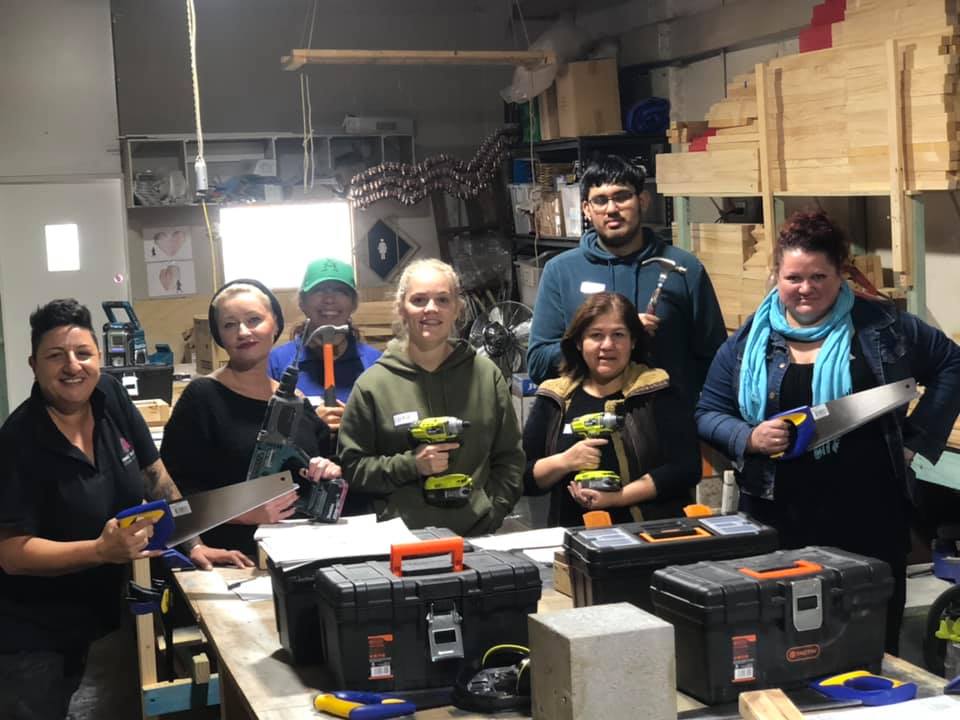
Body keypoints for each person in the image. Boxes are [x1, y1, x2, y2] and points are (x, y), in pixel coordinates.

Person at [695, 210, 960, 653]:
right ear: (776, 275)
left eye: (819, 276)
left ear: (841, 274)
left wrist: (917, 441)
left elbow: (952, 363)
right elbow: (708, 411)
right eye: (794, 277)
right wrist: (749, 438)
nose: (806, 288)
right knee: (784, 643)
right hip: (777, 513)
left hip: (870, 514)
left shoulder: (882, 326)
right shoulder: (748, 341)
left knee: (870, 641)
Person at [0, 299, 247, 720]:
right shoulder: (17, 441)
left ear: (98, 356)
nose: (72, 366)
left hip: (105, 616)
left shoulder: (109, 395)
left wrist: (193, 542)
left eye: (83, 353)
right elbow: (11, 553)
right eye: (55, 356)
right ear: (33, 365)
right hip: (34, 634)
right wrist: (100, 550)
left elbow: (154, 475)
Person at [338, 258, 525, 535]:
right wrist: (411, 465)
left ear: (457, 308)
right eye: (419, 300)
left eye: (442, 299)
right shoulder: (373, 385)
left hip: (477, 536)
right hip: (401, 539)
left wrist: (492, 511)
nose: (431, 309)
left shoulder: (487, 376)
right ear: (401, 307)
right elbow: (352, 468)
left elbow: (510, 458)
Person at [161, 279, 344, 558]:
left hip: (301, 551)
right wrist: (242, 512)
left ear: (275, 324)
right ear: (219, 336)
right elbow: (173, 497)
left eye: (254, 320)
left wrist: (327, 471)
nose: (243, 332)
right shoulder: (202, 397)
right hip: (234, 557)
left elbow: (322, 467)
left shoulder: (296, 401)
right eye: (229, 325)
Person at [526, 155, 727, 408]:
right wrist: (602, 338)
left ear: (642, 201)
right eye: (600, 200)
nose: (611, 209)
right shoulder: (560, 271)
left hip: (669, 422)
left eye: (622, 197)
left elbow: (717, 362)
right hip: (587, 424)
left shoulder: (685, 269)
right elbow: (538, 364)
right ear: (587, 209)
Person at [523, 292, 701, 527]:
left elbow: (687, 468)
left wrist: (619, 497)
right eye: (596, 335)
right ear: (579, 342)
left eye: (618, 335)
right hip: (572, 533)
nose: (607, 345)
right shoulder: (554, 397)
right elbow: (524, 478)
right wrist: (565, 461)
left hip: (647, 533)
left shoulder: (657, 391)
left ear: (633, 341)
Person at [268, 257, 381, 432]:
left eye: (340, 291)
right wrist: (310, 423)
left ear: (353, 304)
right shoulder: (276, 363)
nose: (329, 299)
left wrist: (355, 423)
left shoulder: (375, 363)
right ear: (302, 302)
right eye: (319, 290)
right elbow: (266, 430)